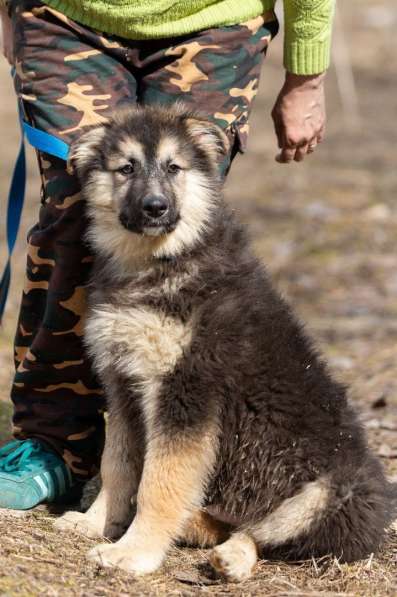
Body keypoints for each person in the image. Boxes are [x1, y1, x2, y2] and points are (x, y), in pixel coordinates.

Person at [0, 0, 335, 509]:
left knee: (177, 241)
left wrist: (306, 74)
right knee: (76, 215)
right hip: (64, 16)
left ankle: (167, 461)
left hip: (214, 23)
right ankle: (53, 444)